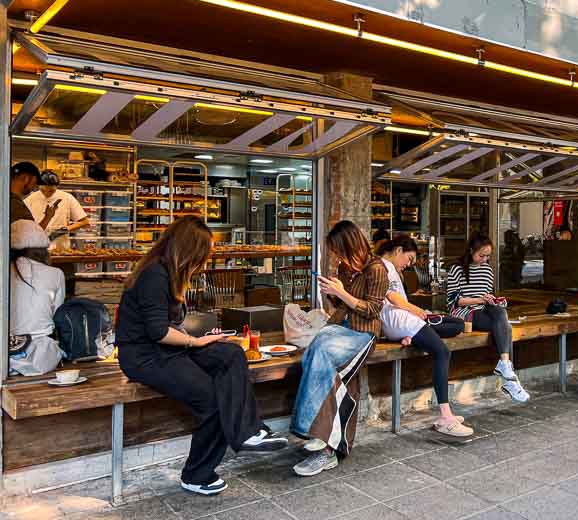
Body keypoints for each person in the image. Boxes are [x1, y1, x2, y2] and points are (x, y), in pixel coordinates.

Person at [116, 216, 287, 496]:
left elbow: (170, 327)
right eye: (204, 254)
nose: (206, 260)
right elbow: (159, 332)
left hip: (168, 349)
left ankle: (249, 431)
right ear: (188, 250)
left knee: (231, 353)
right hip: (145, 357)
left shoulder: (170, 274)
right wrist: (195, 342)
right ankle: (196, 474)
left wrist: (203, 340)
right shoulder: (154, 275)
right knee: (212, 402)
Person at [291, 220, 389, 477]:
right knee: (314, 354)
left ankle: (318, 438)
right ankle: (322, 440)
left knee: (322, 355)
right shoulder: (346, 267)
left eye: (339, 250)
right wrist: (332, 291)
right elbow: (339, 305)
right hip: (339, 327)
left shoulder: (377, 269)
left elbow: (372, 310)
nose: (337, 256)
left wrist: (343, 294)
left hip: (363, 333)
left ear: (350, 244)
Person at [378, 235, 473, 437]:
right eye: (409, 259)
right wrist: (418, 311)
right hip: (401, 321)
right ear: (398, 251)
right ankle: (446, 417)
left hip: (405, 323)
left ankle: (416, 335)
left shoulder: (391, 268)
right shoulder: (382, 266)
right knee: (442, 352)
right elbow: (392, 298)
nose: (409, 264)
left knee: (456, 325)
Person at [447, 234, 530, 403]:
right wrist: (480, 299)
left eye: (487, 256)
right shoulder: (456, 269)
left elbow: (488, 295)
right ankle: (510, 379)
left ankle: (505, 367)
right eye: (481, 255)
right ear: (471, 251)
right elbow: (454, 301)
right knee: (504, 325)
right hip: (463, 312)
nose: (484, 259)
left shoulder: (487, 270)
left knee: (500, 314)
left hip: (484, 309)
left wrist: (495, 300)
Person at [8, 220, 64, 376]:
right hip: (41, 358)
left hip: (5, 355)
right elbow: (56, 316)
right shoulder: (56, 274)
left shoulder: (4, 272)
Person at [25, 170, 90, 250]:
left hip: (61, 248)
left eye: (51, 191)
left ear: (57, 186)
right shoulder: (30, 199)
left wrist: (65, 229)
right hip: (37, 249)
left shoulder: (67, 198)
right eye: (43, 190)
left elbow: (85, 222)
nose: (47, 193)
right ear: (38, 186)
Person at [10, 162, 51, 226]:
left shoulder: (8, 200)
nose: (34, 188)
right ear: (26, 178)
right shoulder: (16, 205)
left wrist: (47, 217)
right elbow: (32, 234)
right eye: (34, 183)